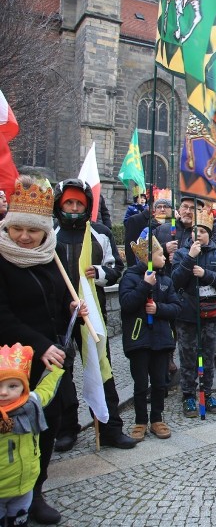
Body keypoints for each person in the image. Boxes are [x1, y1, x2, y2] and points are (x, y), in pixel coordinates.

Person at [0, 175, 82, 524]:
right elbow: (3, 316)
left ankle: (35, 493)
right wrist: (42, 344)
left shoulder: (51, 256)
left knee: (48, 425)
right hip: (14, 364)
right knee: (14, 432)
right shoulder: (2, 260)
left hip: (54, 361)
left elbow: (60, 299)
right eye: (17, 229)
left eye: (32, 231)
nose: (24, 237)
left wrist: (74, 309)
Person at [52, 179, 136, 453]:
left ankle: (111, 427)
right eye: (69, 203)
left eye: (79, 203)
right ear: (60, 205)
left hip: (93, 311)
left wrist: (99, 273)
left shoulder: (100, 233)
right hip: (58, 314)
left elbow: (115, 268)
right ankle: (67, 427)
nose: (74, 208)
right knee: (61, 371)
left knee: (103, 367)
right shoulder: (50, 234)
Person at [119, 230, 181, 441]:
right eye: (160, 255)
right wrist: (145, 285)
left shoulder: (166, 280)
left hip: (161, 339)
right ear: (148, 257)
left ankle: (157, 418)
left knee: (159, 382)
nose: (164, 258)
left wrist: (159, 309)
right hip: (139, 339)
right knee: (140, 384)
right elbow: (126, 304)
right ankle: (140, 421)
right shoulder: (130, 277)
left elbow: (175, 307)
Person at [171, 207, 216, 418]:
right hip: (187, 315)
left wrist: (206, 274)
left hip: (211, 315)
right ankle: (188, 394)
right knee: (187, 356)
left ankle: (207, 392)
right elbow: (175, 281)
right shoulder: (181, 254)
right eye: (195, 230)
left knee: (207, 357)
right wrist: (190, 259)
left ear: (210, 233)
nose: (199, 234)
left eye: (203, 231)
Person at [0, 343, 64, 527]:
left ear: (23, 387)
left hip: (25, 485)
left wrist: (57, 367)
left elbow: (46, 390)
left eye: (12, 385)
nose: (4, 392)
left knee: (20, 520)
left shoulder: (31, 404)